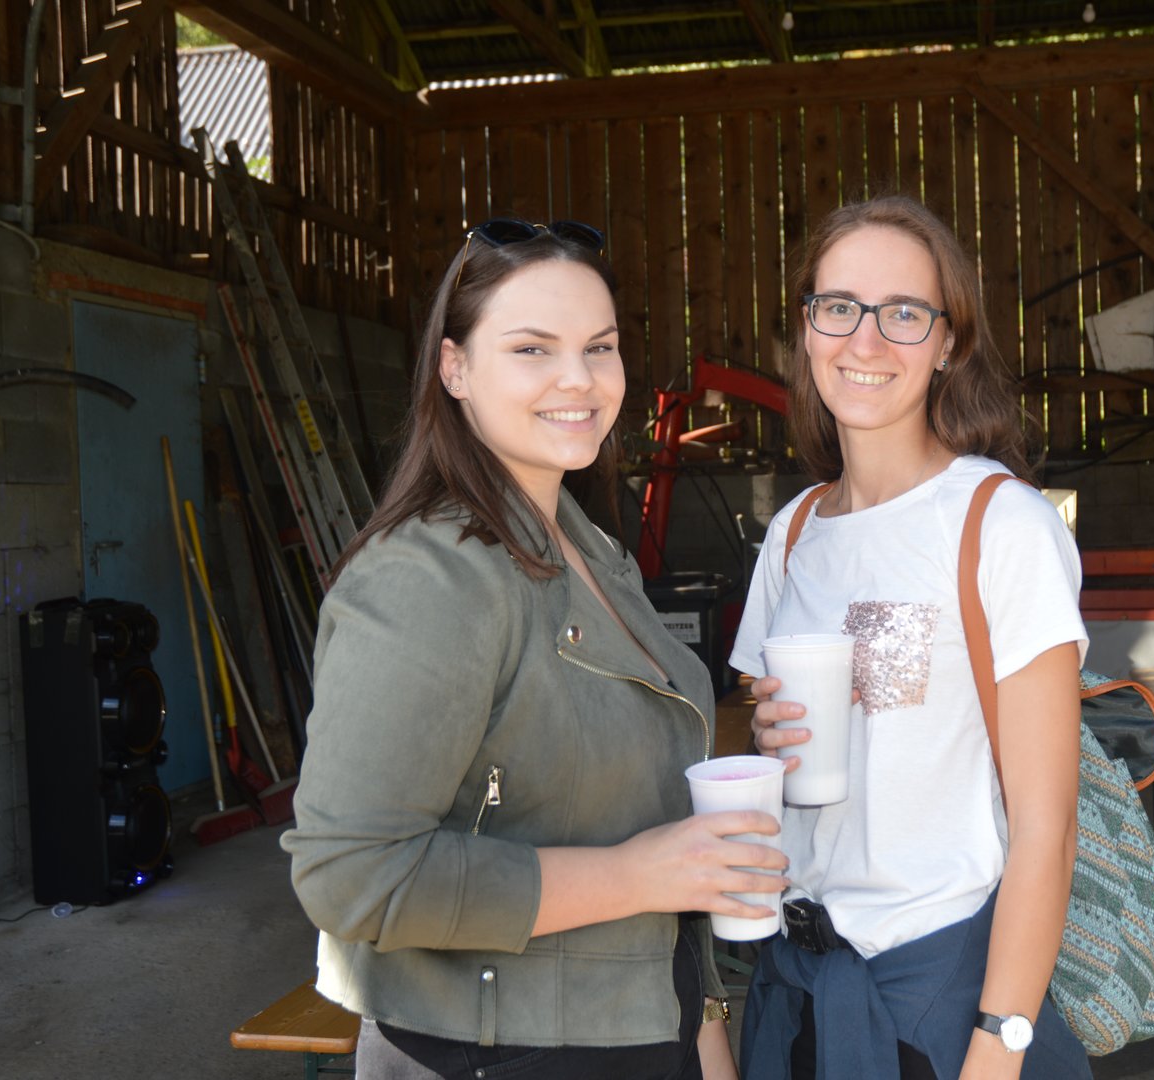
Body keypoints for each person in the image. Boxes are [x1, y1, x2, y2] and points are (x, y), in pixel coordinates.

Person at [281, 217, 787, 1080]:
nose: (578, 378)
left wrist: (707, 1040)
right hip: (497, 1050)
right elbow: (351, 875)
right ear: (454, 368)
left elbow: (656, 841)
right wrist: (635, 877)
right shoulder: (428, 576)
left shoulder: (591, 550)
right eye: (531, 349)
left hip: (639, 1030)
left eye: (600, 347)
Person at [729, 195, 1092, 1080]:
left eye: (903, 313)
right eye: (839, 307)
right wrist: (761, 739)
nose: (865, 340)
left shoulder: (1000, 524)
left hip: (940, 999)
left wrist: (999, 1044)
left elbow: (1047, 828)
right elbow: (744, 752)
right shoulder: (794, 532)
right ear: (808, 329)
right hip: (795, 990)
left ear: (948, 342)